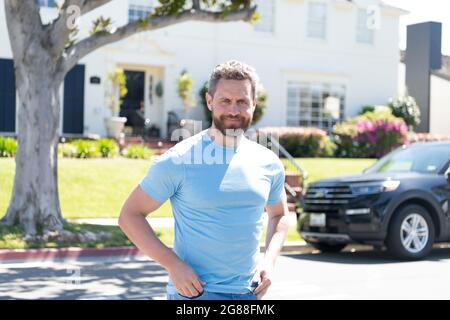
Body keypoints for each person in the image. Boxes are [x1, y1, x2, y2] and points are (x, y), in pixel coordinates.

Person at [118, 60, 292, 300]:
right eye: (225, 101)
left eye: (242, 101)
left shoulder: (268, 162)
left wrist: (269, 261)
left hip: (250, 294)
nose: (233, 110)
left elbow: (279, 214)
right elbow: (130, 215)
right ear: (210, 102)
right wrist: (174, 265)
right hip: (196, 294)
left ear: (253, 104)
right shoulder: (179, 160)